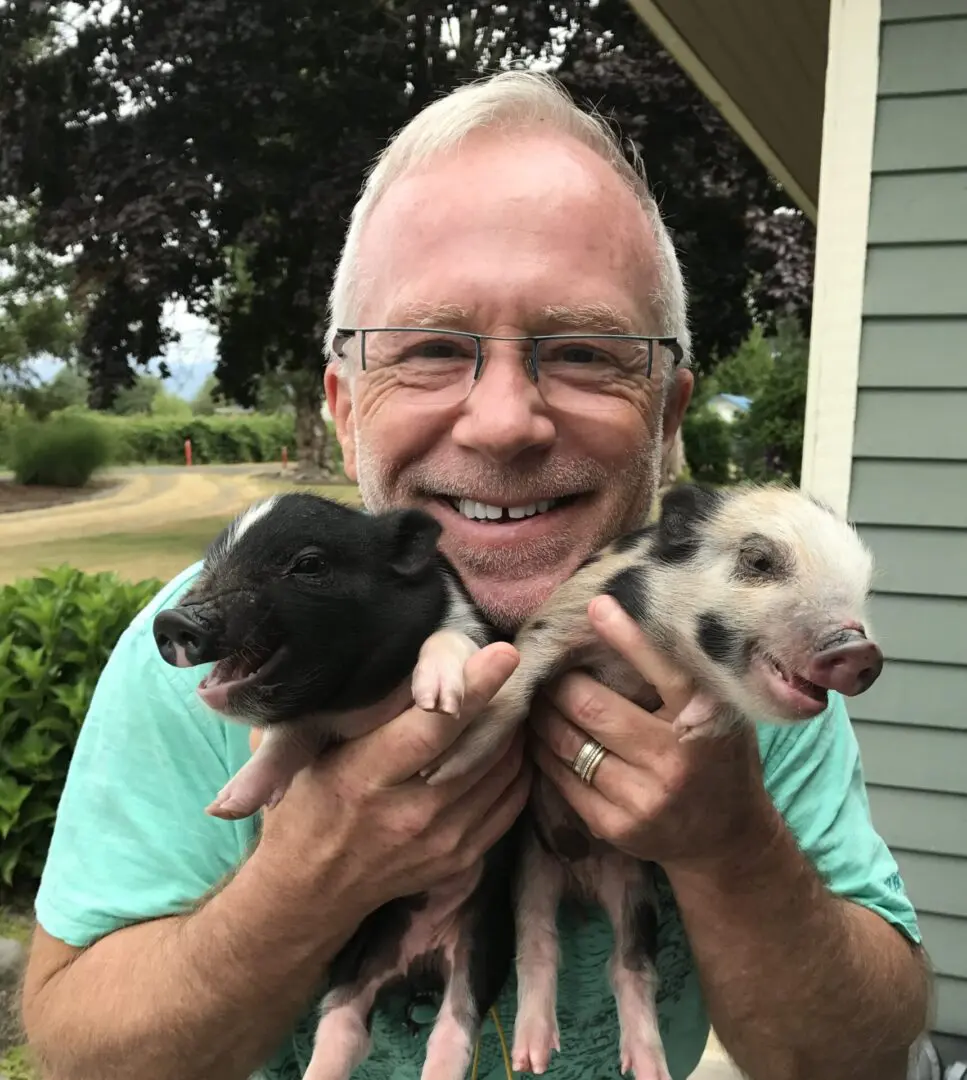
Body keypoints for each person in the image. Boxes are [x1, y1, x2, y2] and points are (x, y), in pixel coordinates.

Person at [22, 70, 929, 1080]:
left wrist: (732, 847)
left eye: (585, 351)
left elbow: (858, 1052)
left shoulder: (731, 636)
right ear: (345, 403)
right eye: (431, 350)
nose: (503, 424)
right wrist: (307, 880)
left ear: (667, 415)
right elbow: (80, 1054)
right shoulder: (219, 647)